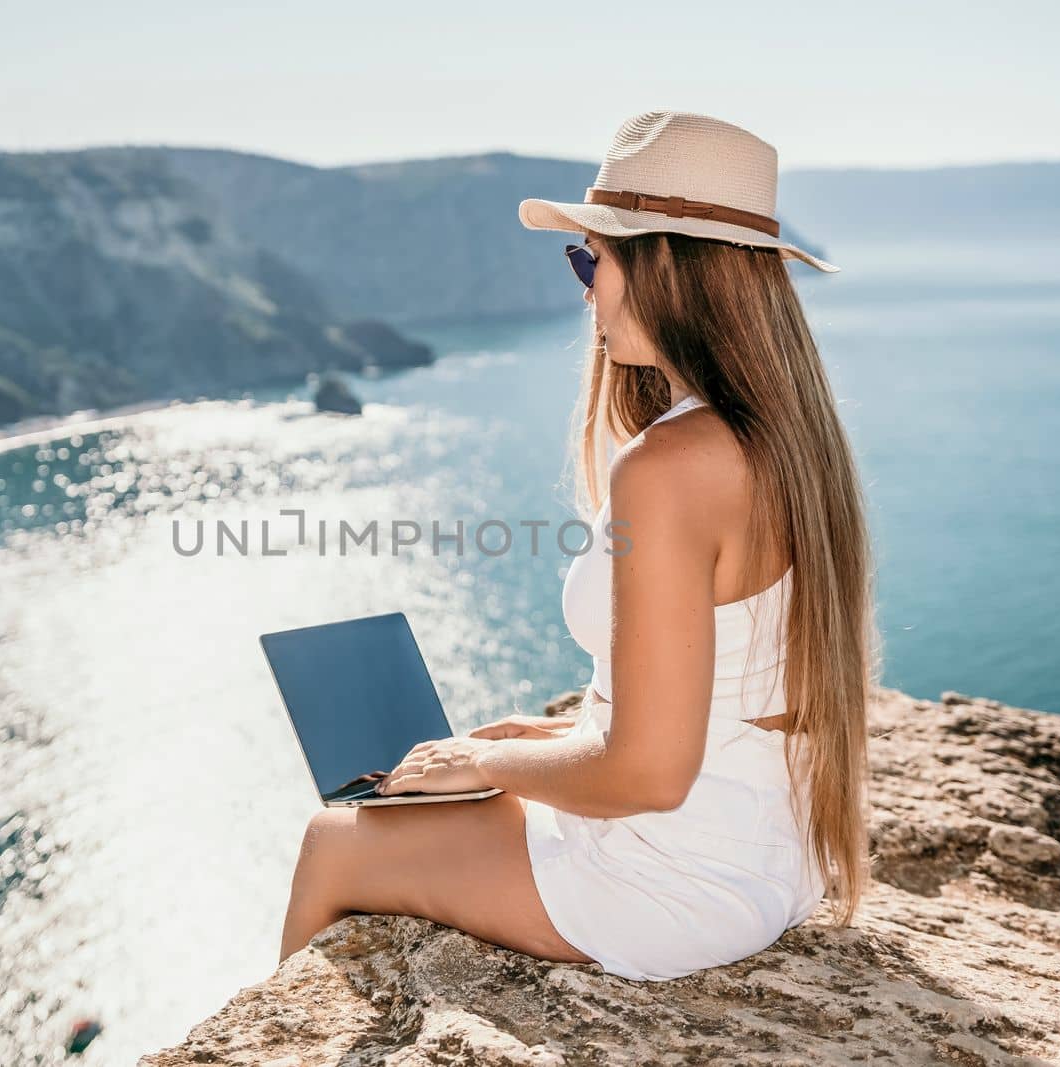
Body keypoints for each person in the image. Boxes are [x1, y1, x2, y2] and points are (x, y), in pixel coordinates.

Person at [279, 110, 881, 981]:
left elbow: (647, 774)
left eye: (588, 260)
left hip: (670, 879)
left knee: (337, 839)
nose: (586, 290)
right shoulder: (783, 437)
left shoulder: (669, 465)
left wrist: (484, 760)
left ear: (664, 266)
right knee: (414, 799)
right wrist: (563, 733)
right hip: (768, 854)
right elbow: (735, 683)